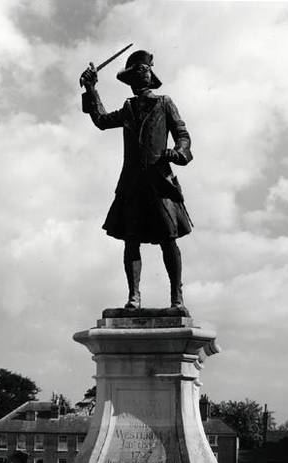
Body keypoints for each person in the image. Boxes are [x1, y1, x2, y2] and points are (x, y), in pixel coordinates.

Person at [80, 50, 193, 309]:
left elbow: (183, 135)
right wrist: (90, 88)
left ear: (150, 76)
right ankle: (134, 297)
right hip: (132, 183)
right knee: (131, 240)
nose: (139, 76)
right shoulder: (129, 108)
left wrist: (178, 153)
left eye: (143, 71)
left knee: (168, 238)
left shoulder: (164, 102)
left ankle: (177, 298)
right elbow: (101, 120)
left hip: (159, 181)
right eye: (134, 73)